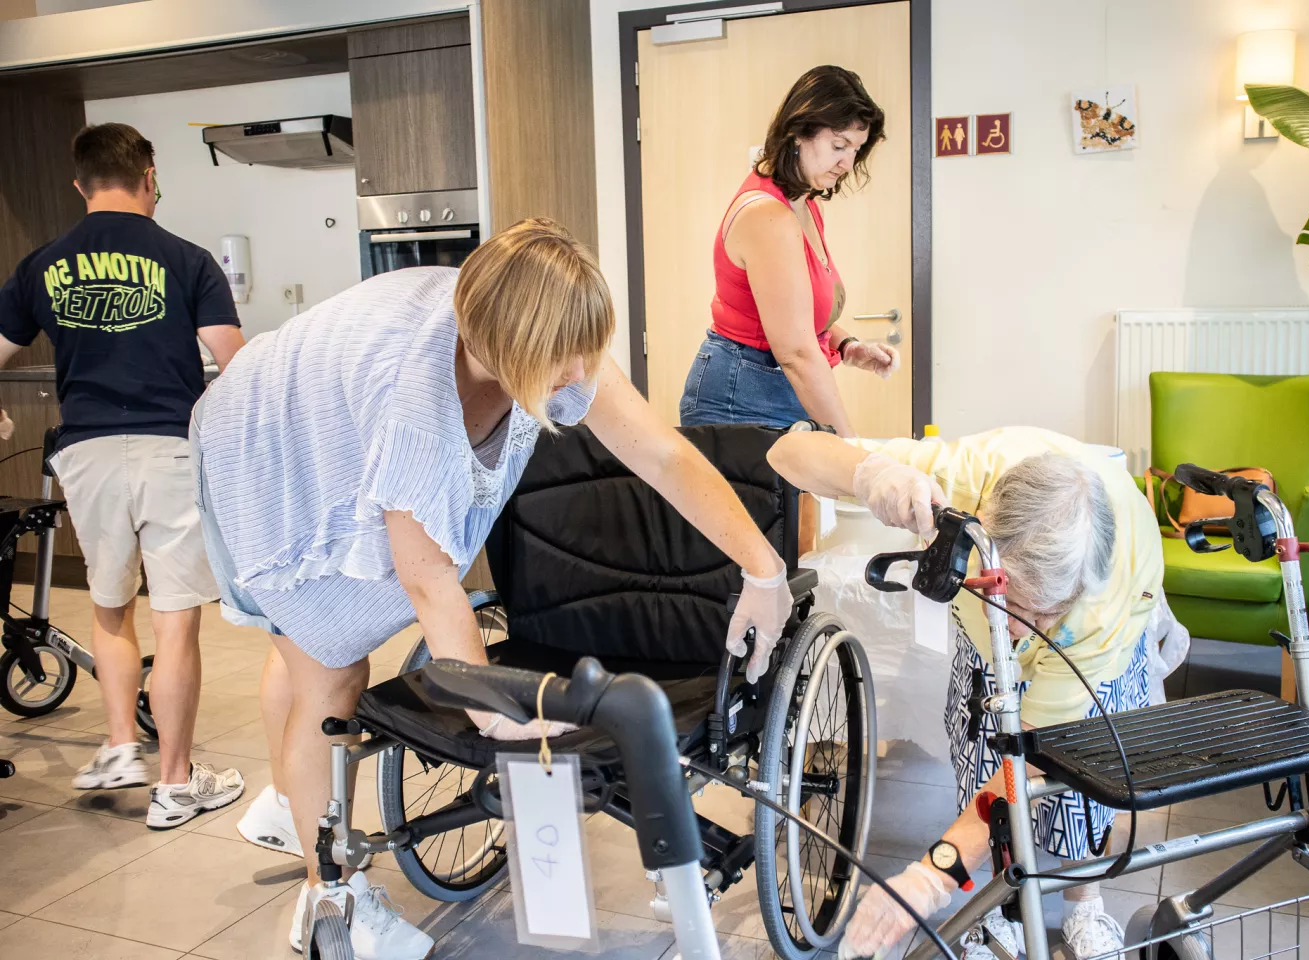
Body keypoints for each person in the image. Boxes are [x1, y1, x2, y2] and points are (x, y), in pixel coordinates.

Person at [196, 218, 795, 959]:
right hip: (259, 442)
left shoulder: (536, 327)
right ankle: (328, 899)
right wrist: (499, 717)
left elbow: (665, 457)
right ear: (508, 348)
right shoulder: (415, 403)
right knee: (331, 668)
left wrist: (763, 568)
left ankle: (291, 803)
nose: (580, 372)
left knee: (300, 648)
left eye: (586, 349)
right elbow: (428, 579)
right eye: (563, 358)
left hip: (319, 390)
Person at [766, 426, 1164, 960]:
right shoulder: (965, 480)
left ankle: (1085, 903)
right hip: (987, 620)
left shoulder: (1109, 600)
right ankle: (1001, 905)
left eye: (1040, 612)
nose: (1018, 629)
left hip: (1092, 637)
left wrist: (933, 876)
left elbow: (1031, 757)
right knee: (985, 753)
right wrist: (872, 475)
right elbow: (787, 452)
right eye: (1009, 604)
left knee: (1080, 772)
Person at [0, 122, 248, 828]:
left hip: (88, 453)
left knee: (110, 609)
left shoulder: (41, 264)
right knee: (175, 622)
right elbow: (237, 366)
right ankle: (175, 785)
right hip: (173, 450)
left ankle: (118, 747)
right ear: (149, 176)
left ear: (79, 184)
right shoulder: (188, 259)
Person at [679, 65, 900, 436]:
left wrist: (848, 346)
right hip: (740, 399)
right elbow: (796, 353)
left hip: (773, 390)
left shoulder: (806, 204)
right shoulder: (768, 216)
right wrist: (854, 451)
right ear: (799, 131)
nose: (847, 164)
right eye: (839, 146)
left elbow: (799, 313)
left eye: (856, 150)